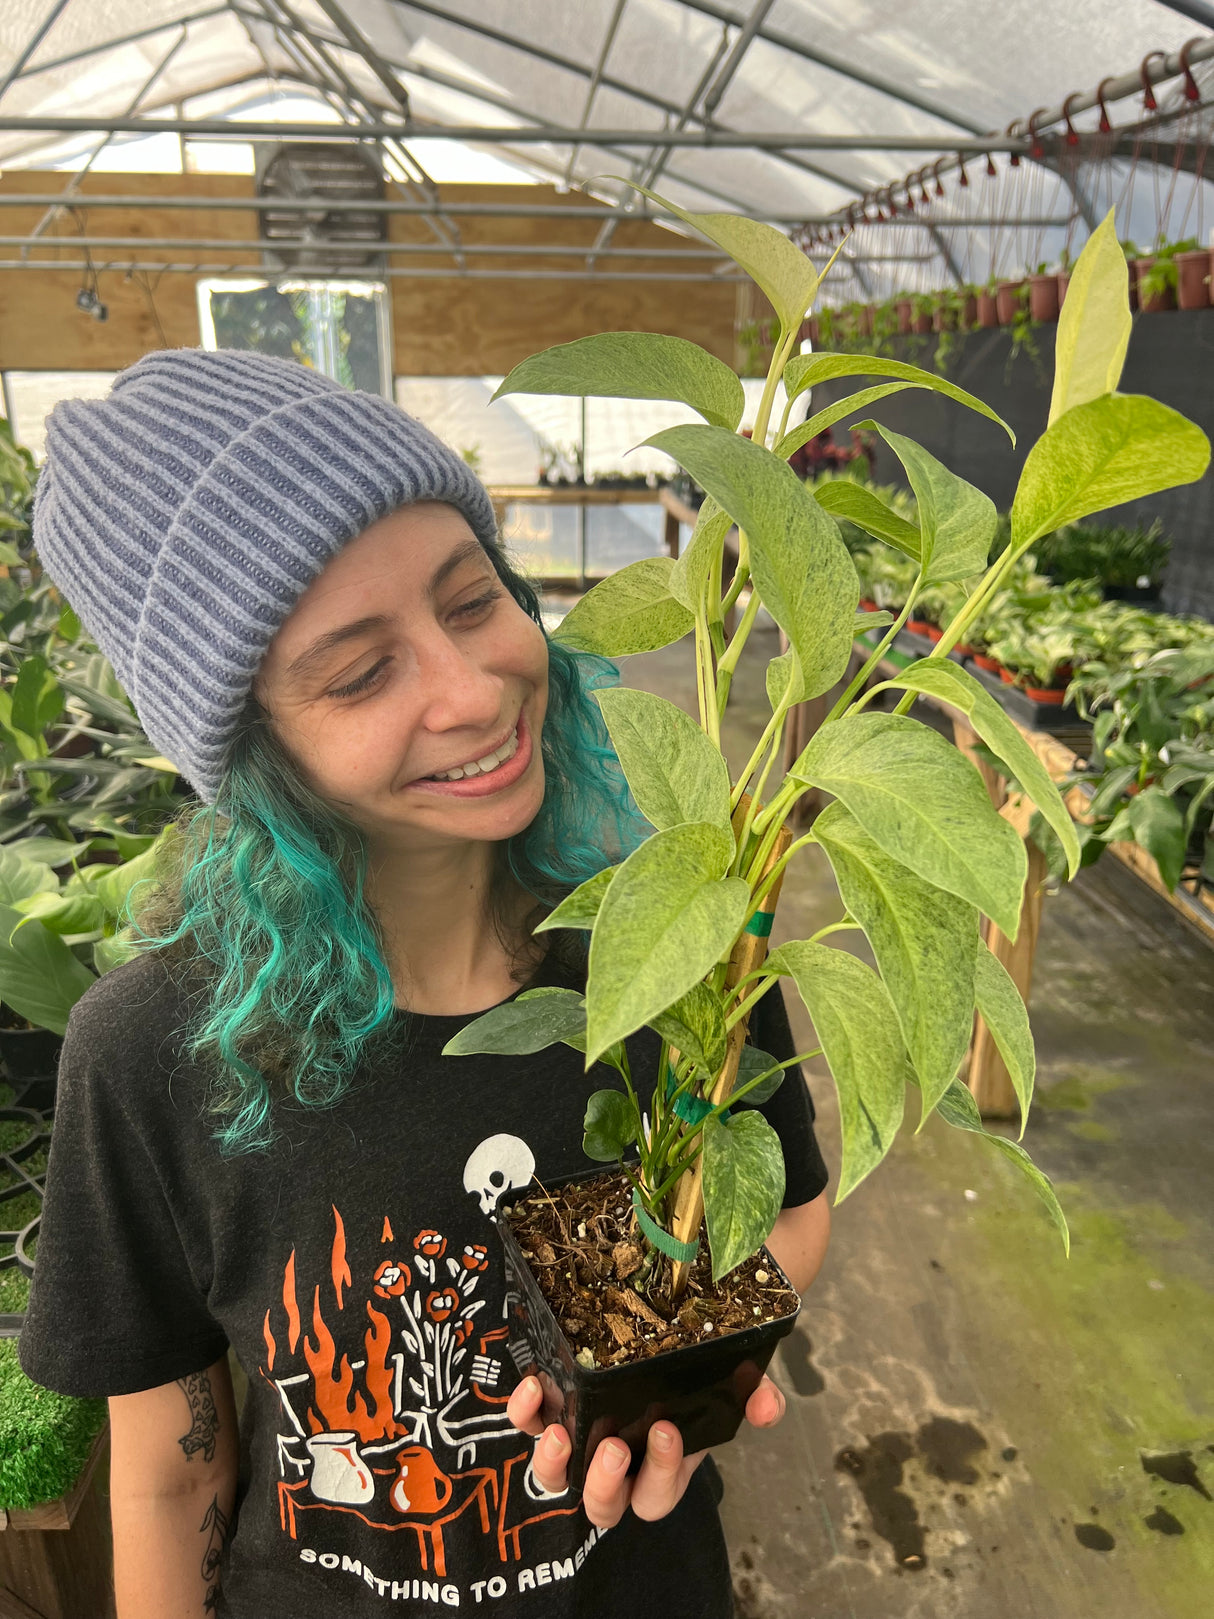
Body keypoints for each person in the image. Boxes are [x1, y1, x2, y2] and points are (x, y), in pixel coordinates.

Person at [18, 350, 831, 1618]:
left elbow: (788, 1205)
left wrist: (685, 1349)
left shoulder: (675, 942)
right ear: (252, 754)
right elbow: (171, 1476)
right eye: (357, 672)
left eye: (470, 600)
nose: (470, 689)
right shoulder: (150, 1054)